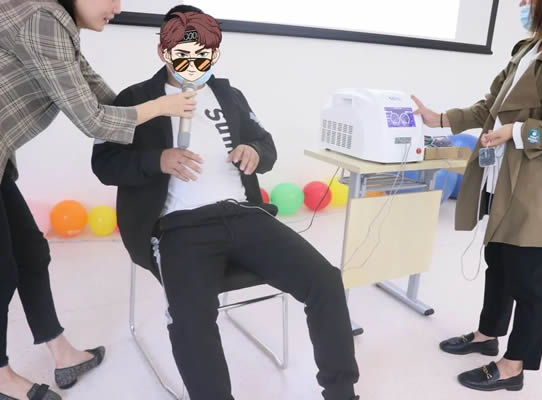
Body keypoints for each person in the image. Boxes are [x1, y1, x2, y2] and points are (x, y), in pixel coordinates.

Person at [91, 5, 360, 400]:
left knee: (325, 280)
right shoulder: (136, 99)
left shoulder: (229, 95)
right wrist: (158, 160)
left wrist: (255, 151)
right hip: (179, 227)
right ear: (164, 51)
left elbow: (266, 145)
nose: (195, 62)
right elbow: (105, 164)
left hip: (245, 215)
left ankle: (341, 392)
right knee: (191, 318)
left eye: (204, 53)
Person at [0, 0, 196, 398]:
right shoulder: (42, 18)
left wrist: (162, 110)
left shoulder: (62, 29)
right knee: (2, 269)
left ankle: (62, 353)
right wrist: (162, 106)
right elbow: (93, 118)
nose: (119, 7)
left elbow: (105, 98)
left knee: (31, 253)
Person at [412, 0, 542, 392]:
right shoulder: (529, 47)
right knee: (498, 261)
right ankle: (488, 335)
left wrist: (518, 131)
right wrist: (441, 119)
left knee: (528, 279)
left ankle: (514, 367)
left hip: (540, 189)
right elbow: (491, 107)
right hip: (502, 178)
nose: (522, 4)